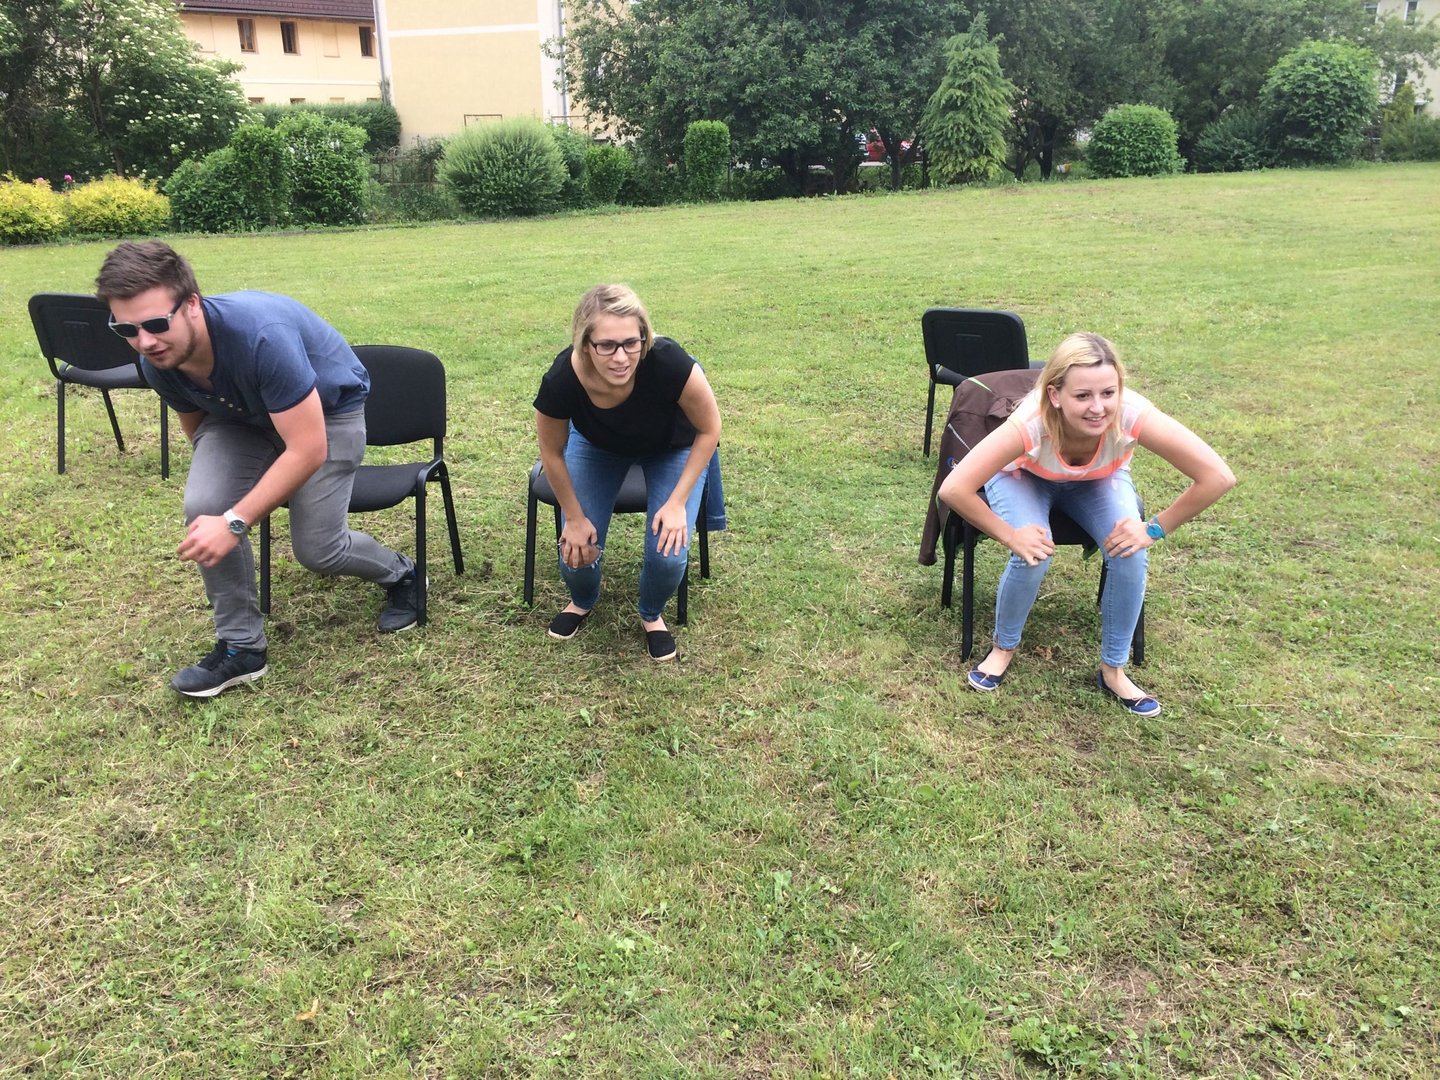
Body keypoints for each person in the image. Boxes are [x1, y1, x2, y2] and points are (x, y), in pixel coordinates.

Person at [95, 241, 420, 698]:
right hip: (240, 417)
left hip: (327, 414)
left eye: (155, 323)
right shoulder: (159, 362)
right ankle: (242, 647)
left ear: (192, 304)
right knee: (205, 504)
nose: (145, 341)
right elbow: (198, 428)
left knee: (319, 551)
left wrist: (236, 519)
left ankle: (403, 574)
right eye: (126, 329)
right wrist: (229, 496)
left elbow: (307, 448)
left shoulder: (261, 338)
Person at [938, 332, 1235, 715]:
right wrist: (1011, 535)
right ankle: (1003, 647)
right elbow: (954, 489)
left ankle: (1113, 670)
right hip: (1023, 477)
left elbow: (1217, 477)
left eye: (1108, 393)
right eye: (1082, 396)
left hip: (1099, 479)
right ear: (1055, 395)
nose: (1098, 408)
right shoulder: (1032, 421)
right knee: (1034, 554)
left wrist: (1153, 528)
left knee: (1129, 553)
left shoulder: (1131, 413)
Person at [533, 284, 721, 661]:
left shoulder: (667, 362)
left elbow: (709, 428)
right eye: (607, 345)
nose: (621, 357)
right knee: (575, 549)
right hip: (597, 446)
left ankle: (651, 614)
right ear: (585, 343)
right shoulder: (562, 379)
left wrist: (676, 502)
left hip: (671, 447)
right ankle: (582, 599)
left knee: (668, 554)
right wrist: (573, 517)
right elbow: (551, 453)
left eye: (631, 343)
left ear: (644, 337)